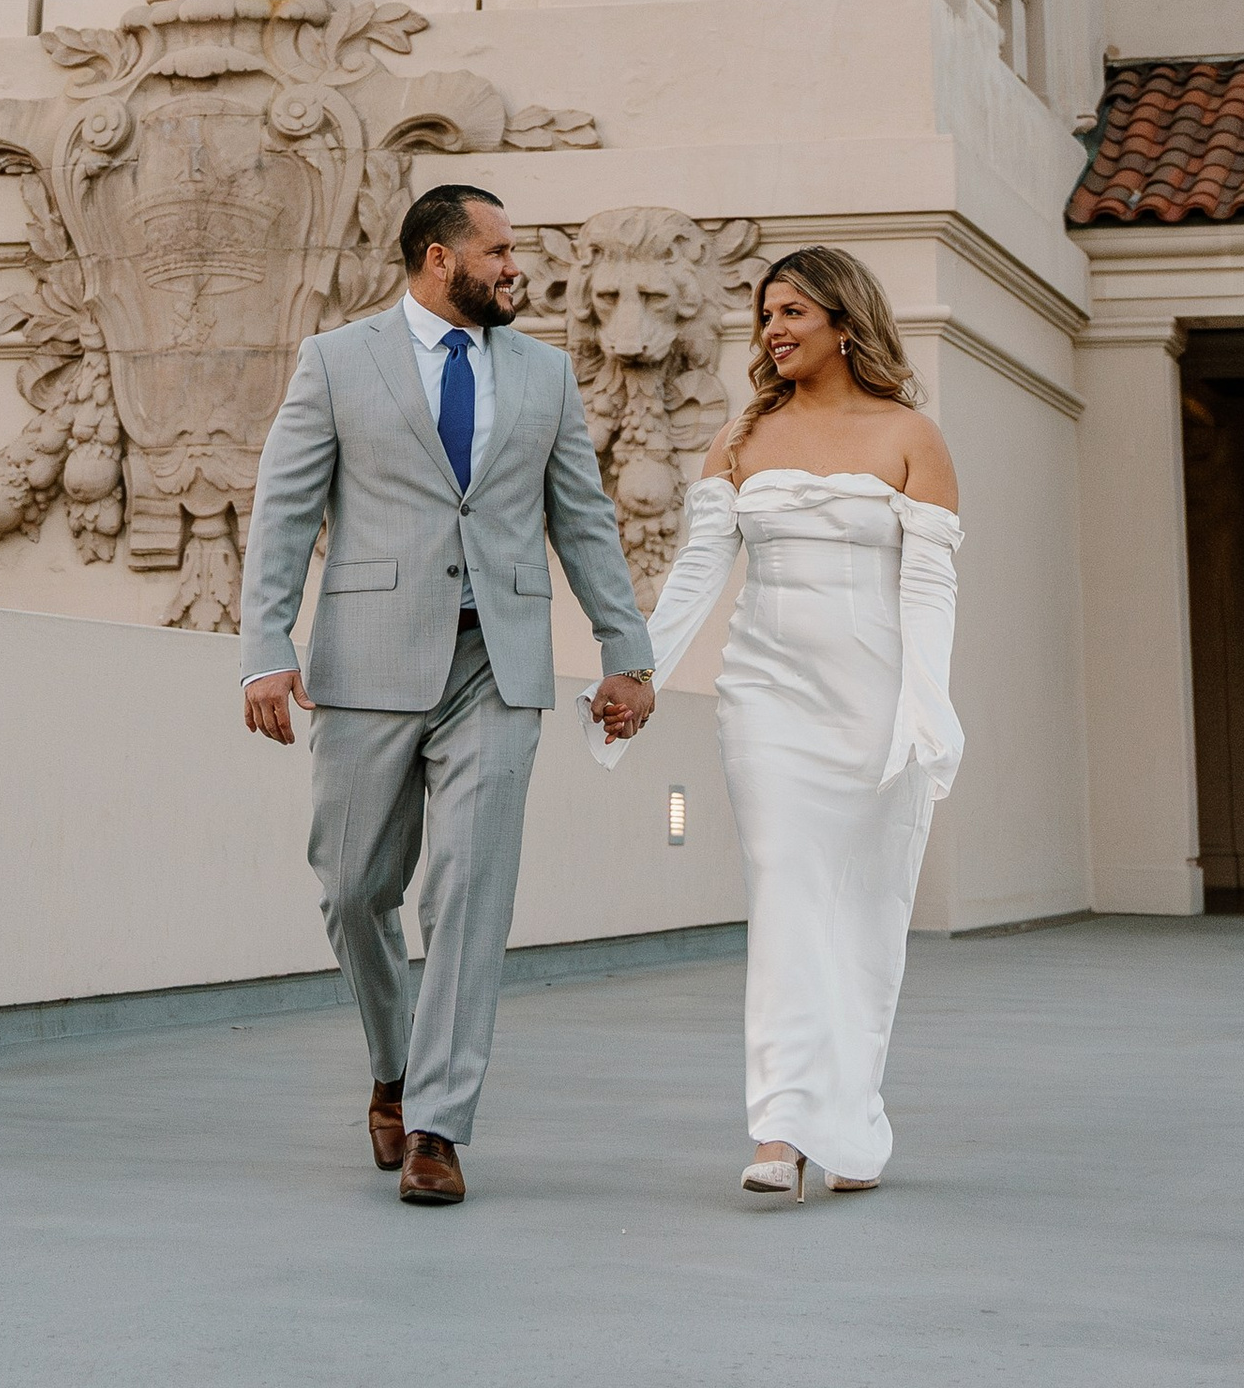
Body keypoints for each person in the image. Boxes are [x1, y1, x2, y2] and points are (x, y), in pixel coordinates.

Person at [237, 181, 658, 1209]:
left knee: (471, 893)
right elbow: (284, 509)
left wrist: (627, 652)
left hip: (498, 667)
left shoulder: (547, 374)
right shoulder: (336, 361)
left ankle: (436, 1123)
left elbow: (583, 518)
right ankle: (391, 1065)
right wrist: (264, 647)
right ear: (439, 257)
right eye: (499, 250)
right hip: (368, 662)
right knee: (352, 888)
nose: (516, 266)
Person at [639, 245, 963, 1199]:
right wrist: (638, 672)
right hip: (767, 699)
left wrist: (928, 708)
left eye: (792, 313)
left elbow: (931, 589)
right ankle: (779, 1130)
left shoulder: (912, 436)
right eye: (767, 315)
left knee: (866, 913)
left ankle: (848, 1123)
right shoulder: (741, 440)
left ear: (844, 322)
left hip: (877, 703)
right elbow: (696, 575)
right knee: (785, 895)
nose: (772, 330)